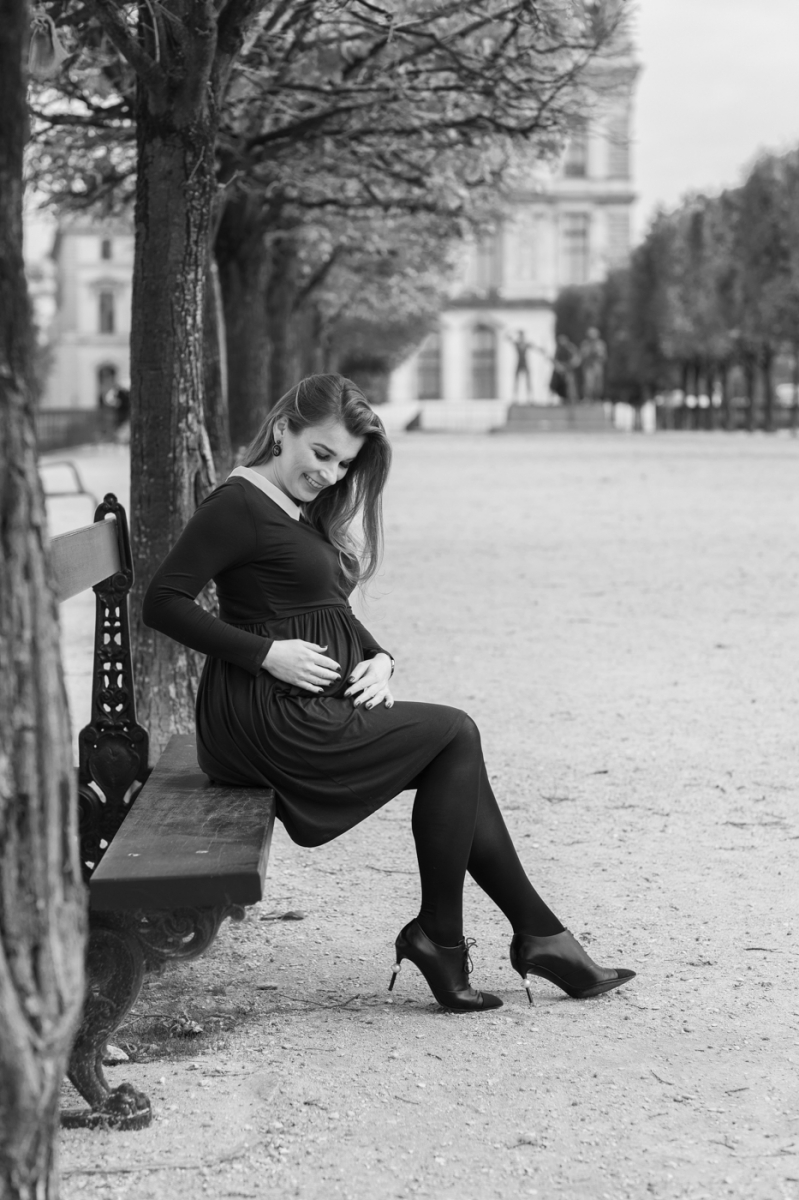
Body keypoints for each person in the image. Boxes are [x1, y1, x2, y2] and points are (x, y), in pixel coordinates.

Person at [142, 374, 635, 1012]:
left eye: (344, 464)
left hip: (295, 705)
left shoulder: (292, 505)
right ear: (284, 428)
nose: (330, 474)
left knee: (454, 756)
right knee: (454, 734)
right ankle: (476, 937)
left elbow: (324, 606)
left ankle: (512, 938)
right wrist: (266, 653)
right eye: (322, 453)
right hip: (265, 716)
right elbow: (163, 602)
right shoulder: (238, 503)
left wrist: (380, 658)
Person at [578, 326, 607, 402]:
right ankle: (587, 398)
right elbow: (582, 355)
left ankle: (597, 398)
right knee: (588, 383)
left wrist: (599, 354)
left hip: (597, 365)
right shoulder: (585, 344)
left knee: (598, 384)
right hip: (588, 366)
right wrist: (590, 352)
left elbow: (604, 356)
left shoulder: (601, 344)